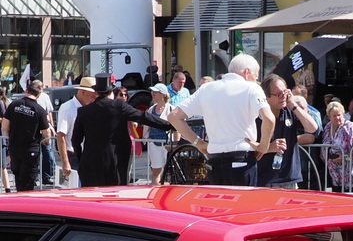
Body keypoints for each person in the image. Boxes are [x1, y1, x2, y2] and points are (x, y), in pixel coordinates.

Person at [166, 53, 274, 186]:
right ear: (247, 72)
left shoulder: (206, 88)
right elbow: (269, 118)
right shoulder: (252, 88)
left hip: (214, 160)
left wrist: (198, 142)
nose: (256, 80)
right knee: (243, 206)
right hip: (241, 158)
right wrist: (263, 147)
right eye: (255, 76)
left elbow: (173, 116)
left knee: (219, 205)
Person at [72, 77, 172, 187]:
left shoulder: (83, 111)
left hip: (90, 164)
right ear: (111, 91)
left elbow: (75, 140)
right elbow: (142, 116)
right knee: (115, 196)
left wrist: (81, 160)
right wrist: (169, 125)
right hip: (115, 163)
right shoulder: (119, 106)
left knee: (93, 200)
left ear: (96, 92)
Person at [256, 73, 319, 189]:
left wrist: (292, 104)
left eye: (285, 92)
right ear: (267, 97)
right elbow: (248, 146)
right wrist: (268, 147)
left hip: (290, 178)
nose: (283, 97)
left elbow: (312, 128)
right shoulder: (257, 116)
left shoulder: (289, 111)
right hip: (265, 179)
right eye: (279, 94)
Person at [2, 78, 49, 192]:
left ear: (27, 90)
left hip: (15, 148)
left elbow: (4, 127)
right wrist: (42, 140)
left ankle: (18, 202)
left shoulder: (13, 105)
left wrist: (11, 138)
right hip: (31, 149)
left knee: (18, 178)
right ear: (39, 95)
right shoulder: (40, 110)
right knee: (28, 182)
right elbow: (47, 133)